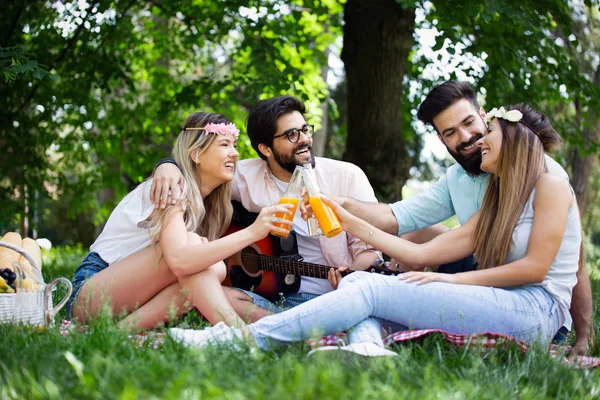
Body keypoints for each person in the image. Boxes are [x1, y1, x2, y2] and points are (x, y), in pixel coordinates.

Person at [168, 103, 582, 355]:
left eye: (487, 131)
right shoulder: (499, 196)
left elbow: (534, 269)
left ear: (515, 137)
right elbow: (418, 254)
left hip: (535, 309)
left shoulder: (550, 182)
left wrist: (457, 284)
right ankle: (366, 349)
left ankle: (243, 340)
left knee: (365, 286)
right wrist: (348, 220)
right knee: (363, 289)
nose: (479, 141)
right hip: (503, 301)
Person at [328, 81, 594, 355]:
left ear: (483, 115)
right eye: (451, 132)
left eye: (469, 122)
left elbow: (573, 255)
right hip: (483, 268)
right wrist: (346, 205)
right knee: (415, 234)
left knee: (379, 291)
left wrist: (583, 336)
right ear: (442, 139)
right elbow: (396, 216)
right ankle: (378, 323)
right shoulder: (456, 180)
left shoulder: (540, 173)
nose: (466, 137)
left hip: (527, 297)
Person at [152, 96, 381, 327]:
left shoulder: (346, 177)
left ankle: (284, 330)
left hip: (331, 299)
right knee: (217, 295)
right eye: (291, 135)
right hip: (267, 301)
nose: (304, 140)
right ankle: (292, 329)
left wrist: (350, 278)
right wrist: (167, 165)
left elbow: (371, 250)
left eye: (305, 130)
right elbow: (198, 173)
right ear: (265, 149)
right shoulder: (244, 176)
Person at [66, 111, 293, 331]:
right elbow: (178, 260)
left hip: (127, 298)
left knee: (214, 270)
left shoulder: (213, 204)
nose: (234, 153)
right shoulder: (172, 187)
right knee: (193, 247)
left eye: (234, 145)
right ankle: (238, 333)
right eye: (224, 145)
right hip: (90, 292)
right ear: (195, 155)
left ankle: (120, 332)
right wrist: (253, 233)